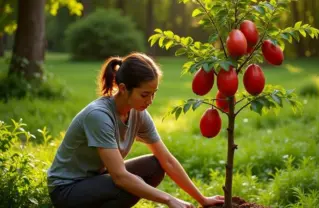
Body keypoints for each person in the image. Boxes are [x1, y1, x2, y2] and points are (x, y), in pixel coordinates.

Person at [47, 52, 224, 208]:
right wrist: (169, 199)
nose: (150, 100)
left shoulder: (138, 113)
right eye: (145, 94)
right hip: (67, 189)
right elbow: (120, 177)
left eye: (154, 93)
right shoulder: (98, 116)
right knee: (130, 185)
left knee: (154, 166)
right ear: (123, 89)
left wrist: (202, 199)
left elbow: (167, 161)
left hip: (96, 179)